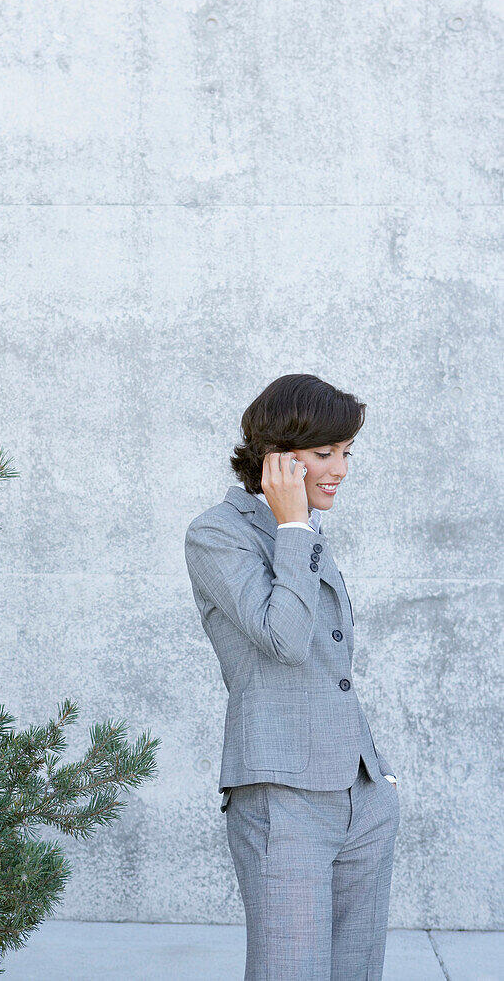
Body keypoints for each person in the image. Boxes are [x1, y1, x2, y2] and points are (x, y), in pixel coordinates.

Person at [184, 373, 400, 981]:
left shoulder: (299, 531)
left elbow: (332, 667)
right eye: (324, 452)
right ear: (277, 457)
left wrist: (378, 781)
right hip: (283, 795)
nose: (341, 469)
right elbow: (286, 639)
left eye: (346, 453)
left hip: (361, 793)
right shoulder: (219, 533)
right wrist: (294, 525)